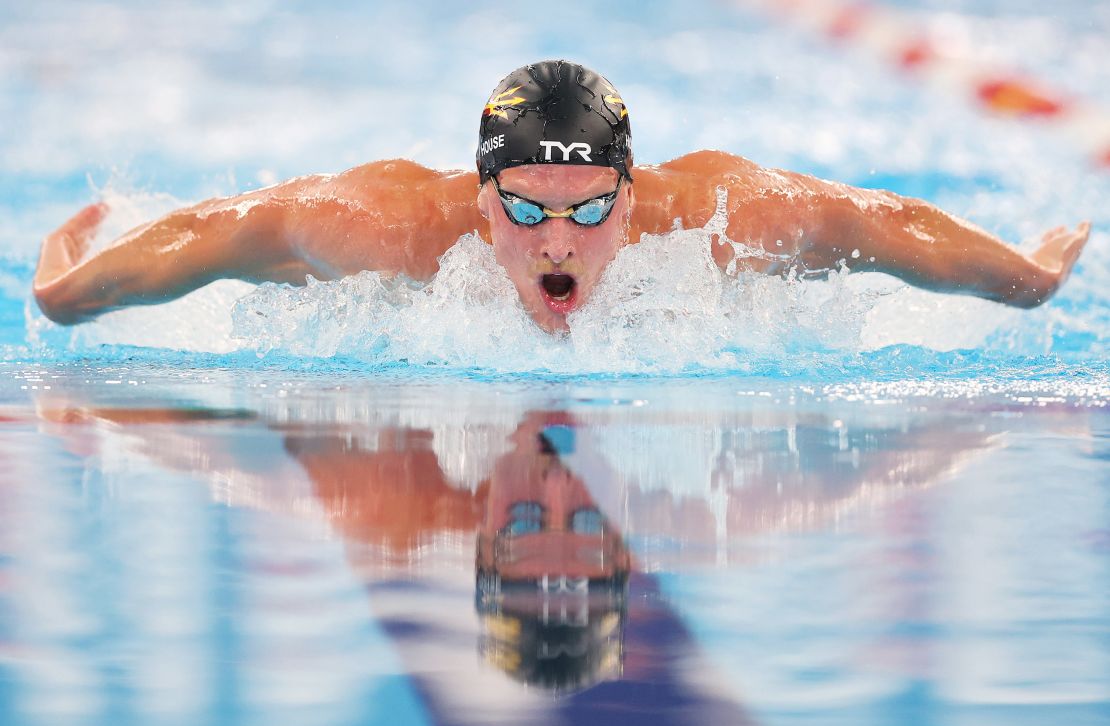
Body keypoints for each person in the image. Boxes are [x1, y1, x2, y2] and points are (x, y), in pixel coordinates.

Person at [33, 60, 1090, 334]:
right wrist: (66, 291)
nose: (560, 242)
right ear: (479, 197)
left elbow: (873, 220)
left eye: (590, 211)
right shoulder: (390, 227)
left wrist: (1025, 280)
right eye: (528, 209)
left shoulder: (712, 218)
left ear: (633, 200)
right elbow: (223, 229)